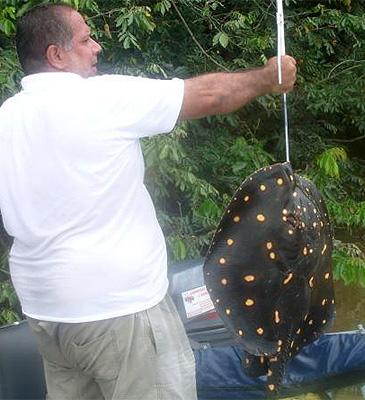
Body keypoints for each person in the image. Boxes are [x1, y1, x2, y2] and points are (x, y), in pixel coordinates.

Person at [0, 3, 297, 400]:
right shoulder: (99, 97)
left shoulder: (8, 115)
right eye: (85, 40)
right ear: (56, 55)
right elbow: (208, 96)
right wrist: (267, 78)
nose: (97, 47)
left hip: (46, 312)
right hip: (119, 310)